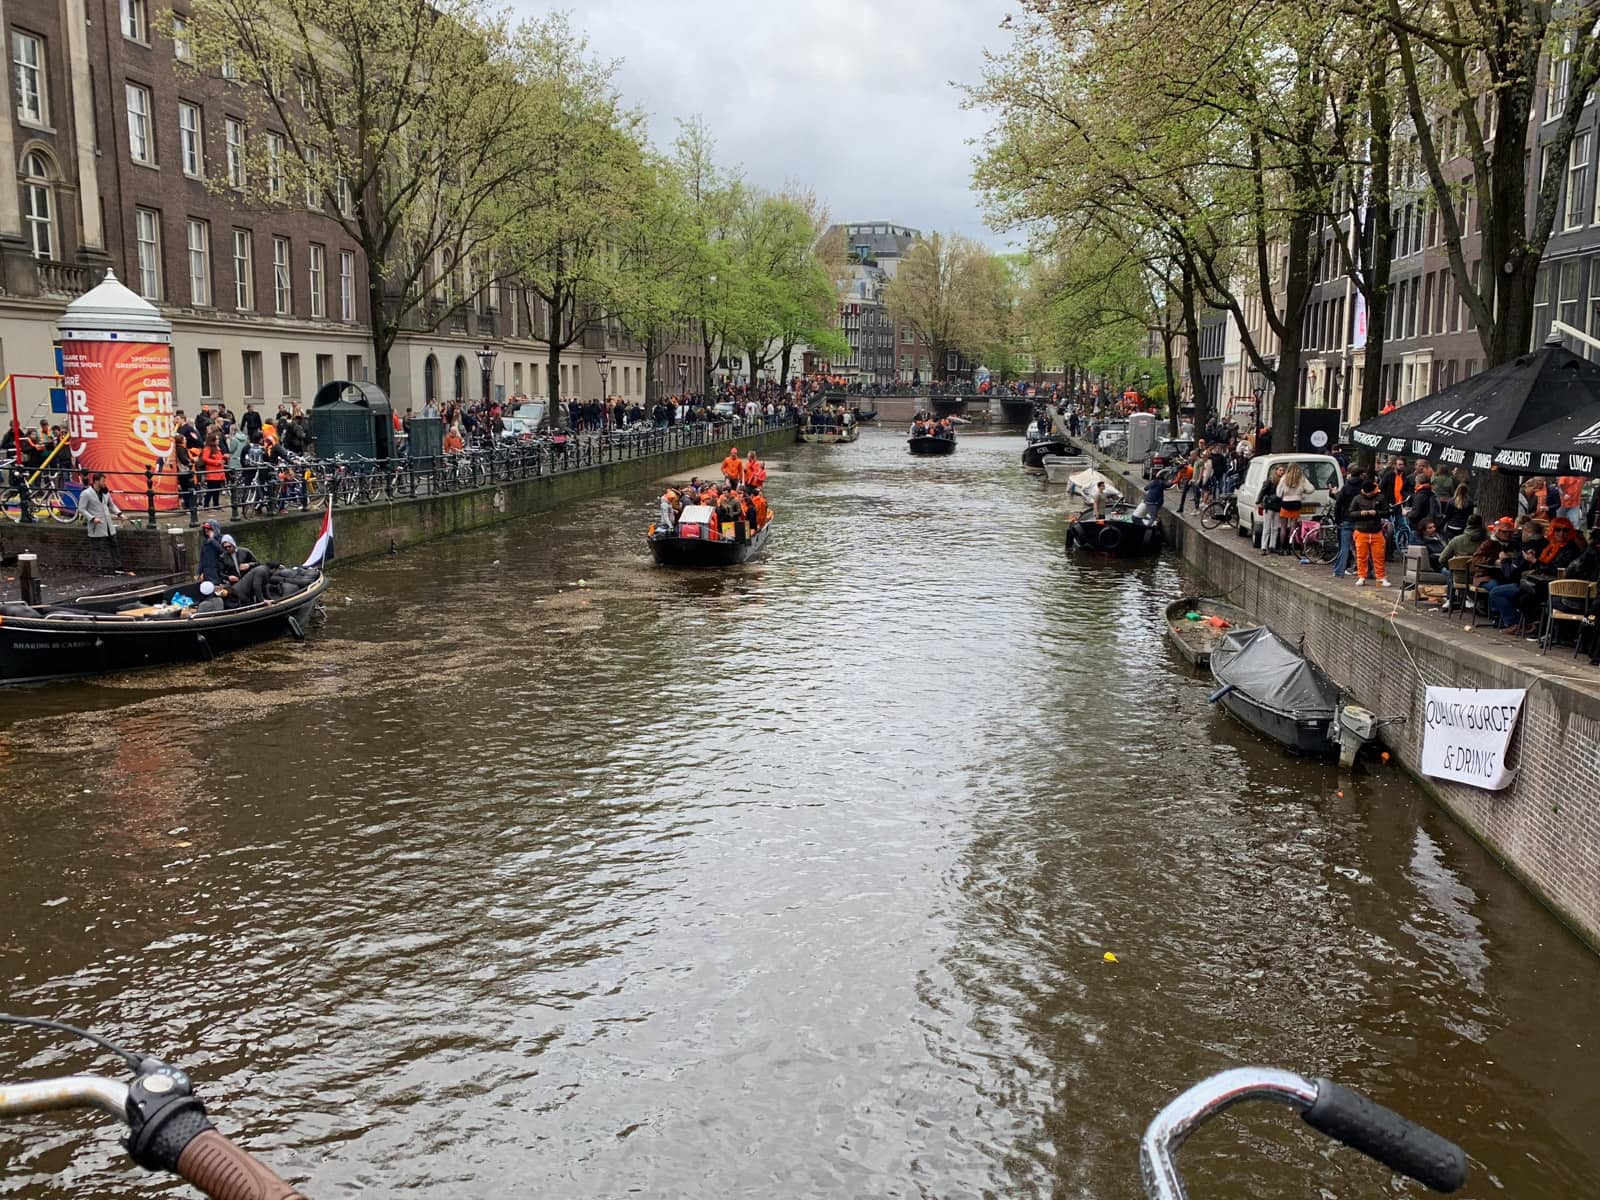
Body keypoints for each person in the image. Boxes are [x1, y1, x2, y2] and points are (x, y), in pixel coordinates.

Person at [1348, 476, 1391, 587]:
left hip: (1376, 531)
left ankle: (1381, 578)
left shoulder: (1380, 497)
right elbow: (1351, 513)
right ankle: (1362, 576)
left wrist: (1376, 512)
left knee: (1379, 556)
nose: (1370, 494)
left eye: (1371, 493)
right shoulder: (1357, 498)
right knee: (1361, 556)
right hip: (1361, 531)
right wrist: (1360, 513)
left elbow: (1386, 512)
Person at [78, 473, 124, 574]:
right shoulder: (86, 493)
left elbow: (111, 505)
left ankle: (118, 566)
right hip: (97, 524)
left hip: (108, 523)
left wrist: (119, 513)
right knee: (98, 547)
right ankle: (99, 568)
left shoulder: (105, 492)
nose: (104, 483)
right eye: (102, 481)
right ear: (96, 481)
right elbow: (81, 509)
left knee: (114, 544)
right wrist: (92, 518)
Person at [1273, 463, 1317, 556]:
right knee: (1293, 526)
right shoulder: (1301, 478)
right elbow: (1311, 489)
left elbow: (1278, 493)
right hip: (1296, 503)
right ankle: (1290, 548)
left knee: (1283, 527)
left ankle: (1281, 548)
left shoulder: (1284, 478)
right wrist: (1302, 491)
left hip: (1285, 503)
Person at [1330, 469, 1366, 578]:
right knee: (1361, 547)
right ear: (1360, 475)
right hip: (1360, 520)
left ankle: (1339, 571)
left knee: (1344, 547)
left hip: (1346, 520)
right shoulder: (1363, 487)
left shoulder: (1346, 487)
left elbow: (1338, 505)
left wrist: (1338, 520)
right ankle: (1366, 571)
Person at [1256, 464, 1286, 554]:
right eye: (1280, 470)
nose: (1282, 472)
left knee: (1275, 527)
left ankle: (1272, 546)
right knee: (1267, 527)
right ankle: (1264, 547)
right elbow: (1263, 490)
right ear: (1276, 471)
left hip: (1278, 506)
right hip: (1269, 505)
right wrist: (1258, 501)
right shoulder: (1270, 480)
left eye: (1283, 470)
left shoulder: (1283, 481)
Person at [197, 519, 225, 586]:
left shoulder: (222, 538)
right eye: (205, 528)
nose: (206, 530)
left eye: (209, 528)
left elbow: (223, 552)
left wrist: (212, 540)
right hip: (207, 572)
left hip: (217, 572)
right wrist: (199, 572)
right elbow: (202, 558)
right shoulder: (205, 541)